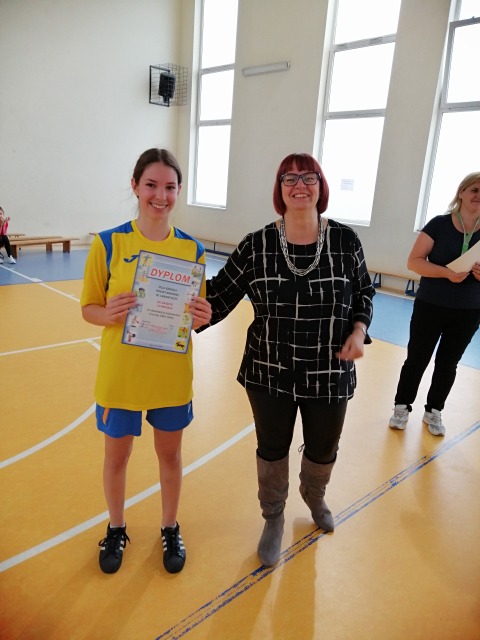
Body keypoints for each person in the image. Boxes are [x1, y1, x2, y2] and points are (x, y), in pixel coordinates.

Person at [201, 152, 375, 567]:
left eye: (309, 177)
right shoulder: (256, 245)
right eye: (290, 178)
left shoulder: (346, 241)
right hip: (269, 371)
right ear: (279, 189)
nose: (300, 185)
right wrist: (165, 298)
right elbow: (218, 295)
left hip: (329, 370)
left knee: (323, 448)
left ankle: (314, 496)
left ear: (321, 186)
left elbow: (364, 293)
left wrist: (358, 331)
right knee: (272, 448)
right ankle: (273, 517)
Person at [80, 148, 212, 575]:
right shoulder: (108, 243)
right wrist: (108, 313)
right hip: (121, 377)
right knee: (116, 458)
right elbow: (88, 308)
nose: (160, 195)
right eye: (151, 185)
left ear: (178, 191)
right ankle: (116, 527)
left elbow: (193, 316)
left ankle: (170, 527)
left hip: (170, 377)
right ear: (135, 186)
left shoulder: (192, 250)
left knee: (169, 457)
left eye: (170, 187)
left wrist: (202, 316)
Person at [389, 172, 480, 437]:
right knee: (417, 358)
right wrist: (447, 273)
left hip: (469, 310)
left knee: (448, 363)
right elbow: (414, 262)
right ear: (461, 192)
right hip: (431, 305)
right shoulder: (439, 224)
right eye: (474, 190)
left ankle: (434, 410)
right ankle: (402, 406)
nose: (478, 196)